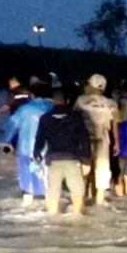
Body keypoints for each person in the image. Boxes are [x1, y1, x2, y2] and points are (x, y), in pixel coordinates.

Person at [34, 87, 93, 217]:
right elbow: (84, 139)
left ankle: (52, 219)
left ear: (53, 101)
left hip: (52, 160)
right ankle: (76, 217)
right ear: (66, 101)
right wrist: (86, 160)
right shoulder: (75, 117)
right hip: (72, 159)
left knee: (53, 193)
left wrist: (36, 155)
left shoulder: (45, 118)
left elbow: (39, 140)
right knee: (77, 192)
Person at [1, 83, 54, 206]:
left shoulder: (24, 109)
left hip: (26, 148)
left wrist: (6, 142)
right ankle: (50, 205)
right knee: (47, 177)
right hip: (47, 148)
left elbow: (12, 125)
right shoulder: (51, 108)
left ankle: (27, 203)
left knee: (26, 176)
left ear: (32, 94)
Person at [75, 74, 120, 205]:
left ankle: (81, 203)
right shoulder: (111, 103)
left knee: (83, 171)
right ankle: (99, 204)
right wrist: (117, 143)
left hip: (84, 140)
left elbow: (73, 119)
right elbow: (115, 124)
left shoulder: (80, 100)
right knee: (102, 173)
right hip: (103, 140)